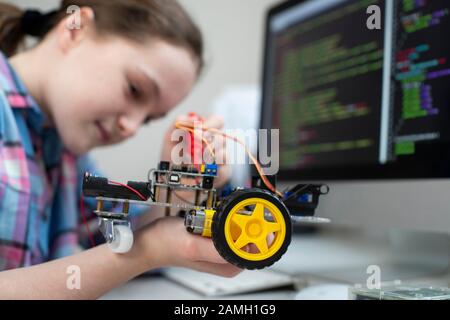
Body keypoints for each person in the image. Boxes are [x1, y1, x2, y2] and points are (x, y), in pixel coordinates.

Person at [0, 0, 240, 299]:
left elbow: (113, 239)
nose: (132, 127)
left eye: (149, 119)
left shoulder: (62, 149)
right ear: (77, 30)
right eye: (135, 89)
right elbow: (133, 249)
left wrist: (177, 191)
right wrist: (148, 250)